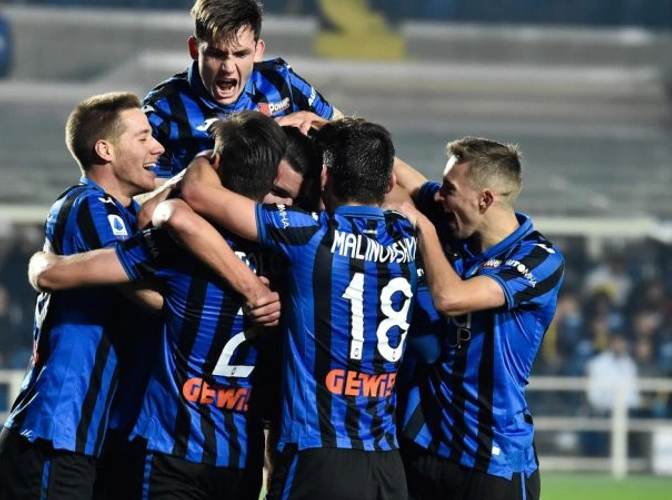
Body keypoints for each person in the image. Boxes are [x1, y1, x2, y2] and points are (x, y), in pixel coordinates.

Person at [28, 110, 287, 500]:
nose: (158, 147)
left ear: (216, 165)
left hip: (171, 449)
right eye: (143, 136)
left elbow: (162, 216)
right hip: (239, 453)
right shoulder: (293, 251)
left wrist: (40, 264)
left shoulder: (178, 246)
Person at [179, 117, 418, 500]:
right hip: (386, 463)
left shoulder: (309, 233)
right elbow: (409, 190)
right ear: (388, 182)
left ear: (323, 178)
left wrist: (219, 150)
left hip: (320, 455)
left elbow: (196, 192)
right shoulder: (406, 233)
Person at [0, 92, 170, 500]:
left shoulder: (124, 214)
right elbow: (147, 291)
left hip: (86, 438)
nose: (158, 147)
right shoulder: (88, 203)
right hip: (57, 435)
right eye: (143, 137)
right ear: (105, 150)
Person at [390, 137, 565, 500]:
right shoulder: (457, 226)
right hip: (425, 448)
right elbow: (402, 174)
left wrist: (424, 230)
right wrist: (327, 119)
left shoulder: (539, 259)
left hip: (491, 460)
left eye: (450, 190)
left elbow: (450, 298)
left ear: (485, 199)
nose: (440, 197)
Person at [144, 0, 341, 178]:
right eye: (216, 54)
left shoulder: (280, 81)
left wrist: (319, 123)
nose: (228, 68)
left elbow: (347, 133)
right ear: (194, 49)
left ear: (258, 51)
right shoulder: (162, 108)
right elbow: (143, 190)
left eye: (241, 54)